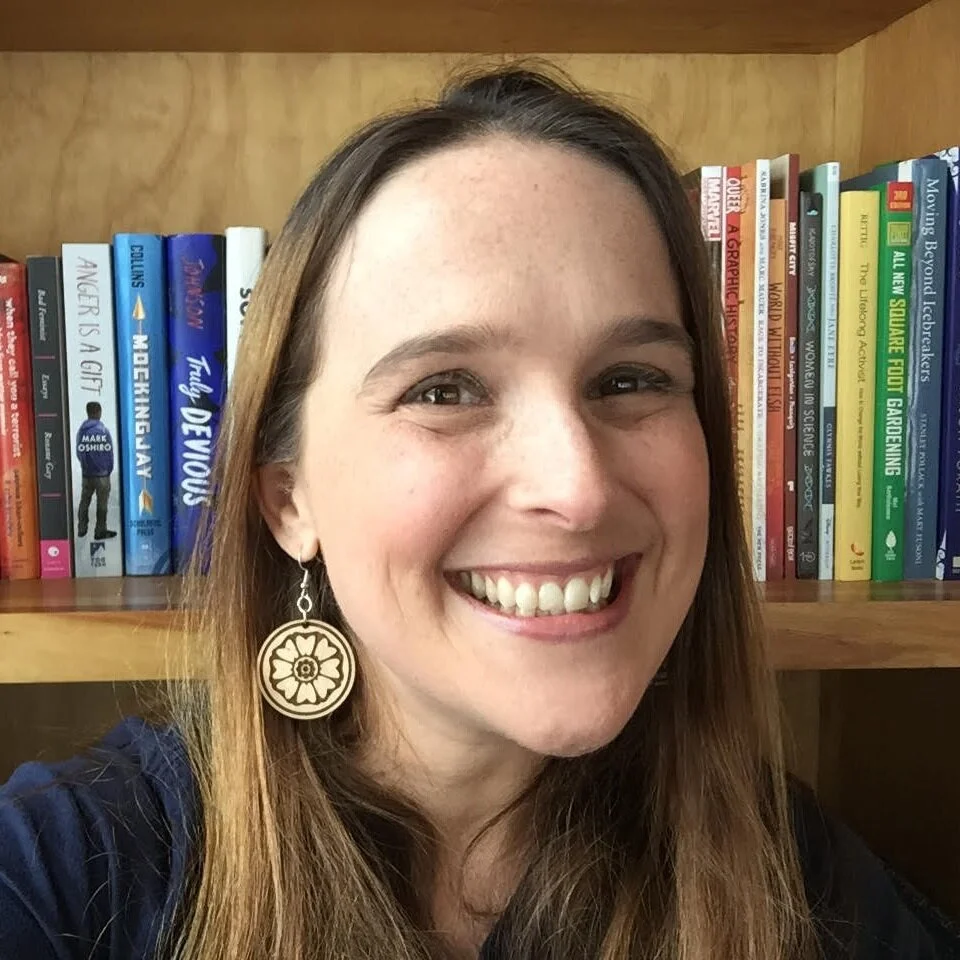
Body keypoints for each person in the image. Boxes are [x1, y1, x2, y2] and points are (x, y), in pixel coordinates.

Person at [1, 66, 959, 960]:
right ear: (289, 500)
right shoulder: (69, 872)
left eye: (631, 379)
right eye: (446, 389)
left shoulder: (791, 872)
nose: (577, 486)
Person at [75, 399, 117, 540]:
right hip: (102, 475)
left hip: (87, 474)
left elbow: (79, 452)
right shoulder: (103, 431)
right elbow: (110, 453)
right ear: (99, 412)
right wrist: (108, 469)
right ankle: (100, 530)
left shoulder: (81, 431)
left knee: (84, 500)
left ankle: (81, 529)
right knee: (102, 504)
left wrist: (85, 467)